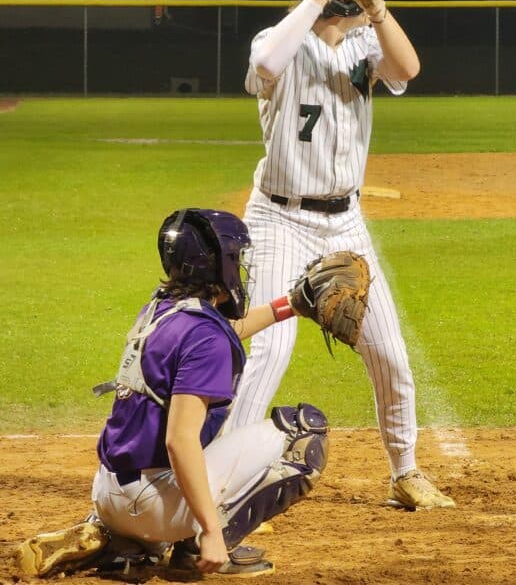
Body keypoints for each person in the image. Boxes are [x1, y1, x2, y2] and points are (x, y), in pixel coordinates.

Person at [227, 0, 455, 510]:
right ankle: (223, 481)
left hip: (345, 223)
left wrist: (376, 7)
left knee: (390, 353)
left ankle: (405, 473)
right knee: (270, 349)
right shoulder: (278, 41)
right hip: (279, 217)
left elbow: (409, 67)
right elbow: (264, 67)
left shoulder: (365, 43)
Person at [15, 208, 330, 578]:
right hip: (149, 503)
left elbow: (222, 332)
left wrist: (288, 306)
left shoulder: (162, 308)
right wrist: (212, 532)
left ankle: (119, 543)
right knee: (303, 433)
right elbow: (179, 441)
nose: (241, 266)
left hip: (108, 491)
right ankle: (195, 545)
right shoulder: (205, 338)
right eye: (235, 257)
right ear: (217, 265)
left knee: (193, 433)